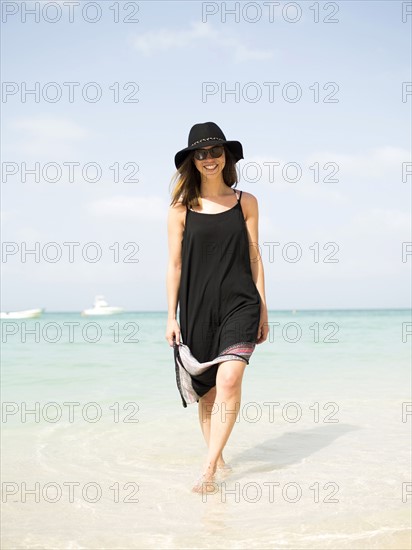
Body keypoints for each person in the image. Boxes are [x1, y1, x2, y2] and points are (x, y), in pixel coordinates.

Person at [165, 121, 269, 493]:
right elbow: (175, 265)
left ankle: (207, 470)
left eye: (216, 151)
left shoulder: (246, 202)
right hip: (197, 308)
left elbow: (255, 258)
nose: (209, 159)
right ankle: (219, 456)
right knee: (207, 393)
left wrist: (263, 307)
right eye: (201, 153)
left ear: (226, 157)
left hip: (241, 304)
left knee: (229, 378)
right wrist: (170, 317)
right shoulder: (180, 209)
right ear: (192, 161)